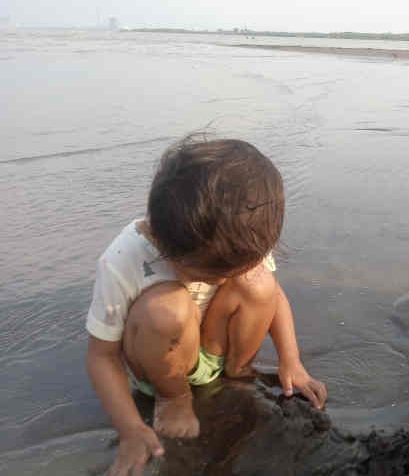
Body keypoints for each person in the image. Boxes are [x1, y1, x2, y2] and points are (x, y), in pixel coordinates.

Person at [85, 137, 327, 475]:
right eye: (212, 274)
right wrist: (130, 429)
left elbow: (274, 296)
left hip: (215, 348)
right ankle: (175, 398)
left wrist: (292, 361)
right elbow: (101, 355)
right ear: (169, 247)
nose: (219, 281)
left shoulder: (237, 232)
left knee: (259, 281)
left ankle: (237, 373)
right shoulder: (125, 259)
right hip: (161, 366)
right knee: (168, 307)